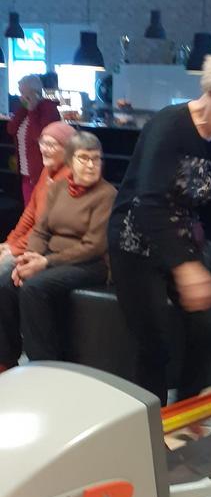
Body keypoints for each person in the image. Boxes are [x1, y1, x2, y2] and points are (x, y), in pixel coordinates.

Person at [107, 53, 211, 404]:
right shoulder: (169, 126)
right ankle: (151, 427)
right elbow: (149, 203)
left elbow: (210, 206)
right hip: (134, 241)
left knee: (209, 332)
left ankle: (184, 413)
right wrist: (186, 268)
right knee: (154, 346)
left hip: (177, 241)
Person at [0, 132, 116, 370]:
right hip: (50, 257)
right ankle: (6, 359)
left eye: (96, 158)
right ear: (70, 161)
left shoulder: (107, 194)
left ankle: (43, 365)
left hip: (90, 263)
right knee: (5, 283)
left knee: (33, 287)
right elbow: (41, 229)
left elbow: (94, 246)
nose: (91, 165)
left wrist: (46, 262)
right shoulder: (59, 187)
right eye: (84, 158)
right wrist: (28, 258)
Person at [0, 120, 75, 275]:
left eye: (51, 145)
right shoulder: (47, 171)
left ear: (68, 150)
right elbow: (30, 213)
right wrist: (10, 241)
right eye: (42, 143)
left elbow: (45, 227)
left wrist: (15, 248)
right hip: (33, 242)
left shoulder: (70, 179)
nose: (44, 149)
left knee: (5, 266)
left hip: (50, 248)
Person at [7, 75, 61, 205]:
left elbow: (39, 137)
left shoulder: (49, 109)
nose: (20, 96)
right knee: (29, 210)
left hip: (42, 174)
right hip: (25, 173)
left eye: (23, 92)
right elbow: (11, 129)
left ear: (34, 92)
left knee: (42, 211)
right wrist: (24, 108)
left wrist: (32, 110)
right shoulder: (25, 109)